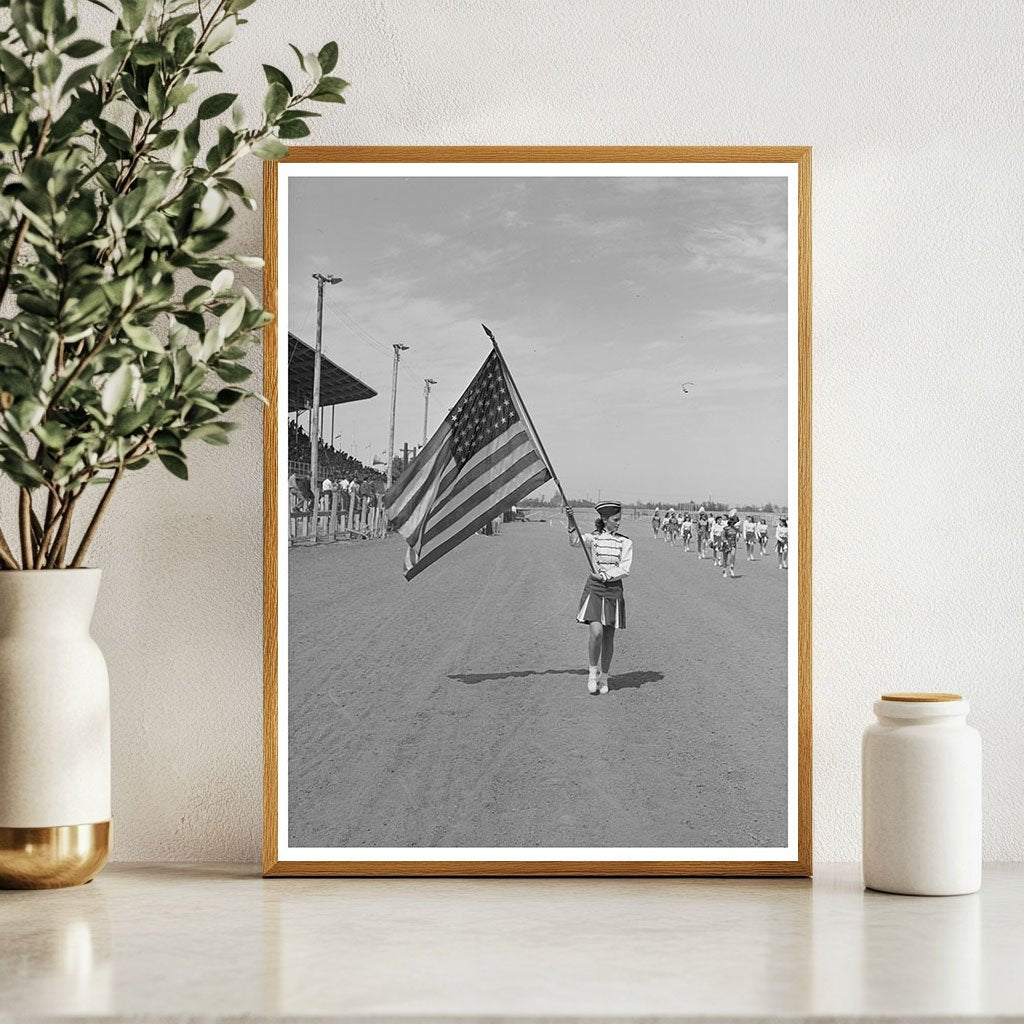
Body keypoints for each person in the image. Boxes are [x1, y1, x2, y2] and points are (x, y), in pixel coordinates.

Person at [565, 500, 632, 696]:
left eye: (619, 520)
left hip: (613, 590)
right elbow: (575, 541)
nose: (618, 523)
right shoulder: (593, 539)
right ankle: (592, 672)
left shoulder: (625, 542)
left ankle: (604, 676)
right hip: (595, 588)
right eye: (615, 520)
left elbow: (624, 569)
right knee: (596, 632)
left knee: (609, 636)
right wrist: (570, 520)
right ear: (604, 519)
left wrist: (604, 575)